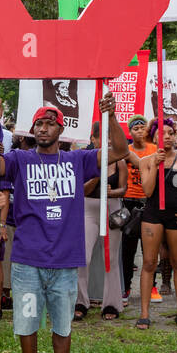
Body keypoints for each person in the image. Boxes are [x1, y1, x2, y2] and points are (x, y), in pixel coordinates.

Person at [0, 93, 126, 353]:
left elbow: (120, 151)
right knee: (28, 319)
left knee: (62, 321)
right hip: (28, 259)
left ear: (61, 130)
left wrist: (111, 116)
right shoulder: (21, 159)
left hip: (64, 258)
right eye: (39, 124)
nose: (43, 128)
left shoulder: (78, 160)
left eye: (50, 124)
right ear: (32, 130)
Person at [136, 119, 177, 329]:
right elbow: (147, 191)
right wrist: (156, 163)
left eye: (171, 132)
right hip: (153, 215)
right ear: (153, 137)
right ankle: (144, 313)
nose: (167, 136)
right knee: (148, 263)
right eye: (162, 133)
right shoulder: (145, 161)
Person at [77, 120, 127, 321]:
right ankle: (80, 301)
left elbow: (124, 189)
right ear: (93, 138)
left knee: (111, 259)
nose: (105, 141)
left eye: (109, 137)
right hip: (88, 207)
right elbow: (81, 190)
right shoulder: (84, 159)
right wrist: (97, 175)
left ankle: (112, 303)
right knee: (83, 257)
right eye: (100, 137)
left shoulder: (120, 161)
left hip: (112, 209)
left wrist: (112, 191)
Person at [120, 116, 158, 302]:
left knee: (150, 248)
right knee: (128, 248)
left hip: (149, 200)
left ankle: (152, 286)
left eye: (143, 127)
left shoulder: (155, 149)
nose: (140, 131)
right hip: (129, 201)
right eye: (136, 128)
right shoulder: (126, 151)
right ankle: (125, 287)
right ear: (130, 132)